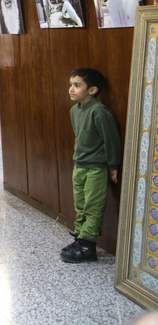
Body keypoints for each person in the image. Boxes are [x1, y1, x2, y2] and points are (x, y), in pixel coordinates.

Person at [61, 68, 121, 263]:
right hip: (79, 166)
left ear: (93, 90)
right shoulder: (74, 111)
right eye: (71, 85)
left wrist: (113, 166)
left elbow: (111, 140)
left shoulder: (100, 112)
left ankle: (88, 246)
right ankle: (80, 238)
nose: (71, 89)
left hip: (96, 168)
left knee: (92, 207)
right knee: (80, 204)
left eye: (77, 85)